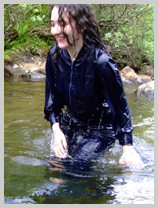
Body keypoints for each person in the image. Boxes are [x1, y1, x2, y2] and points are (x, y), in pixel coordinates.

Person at [44, 4, 143, 167]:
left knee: (75, 167)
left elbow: (120, 108)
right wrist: (56, 129)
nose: (55, 31)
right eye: (53, 24)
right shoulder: (54, 56)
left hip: (100, 129)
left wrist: (127, 149)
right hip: (71, 122)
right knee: (56, 165)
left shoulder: (101, 63)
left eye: (62, 24)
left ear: (82, 26)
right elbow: (51, 102)